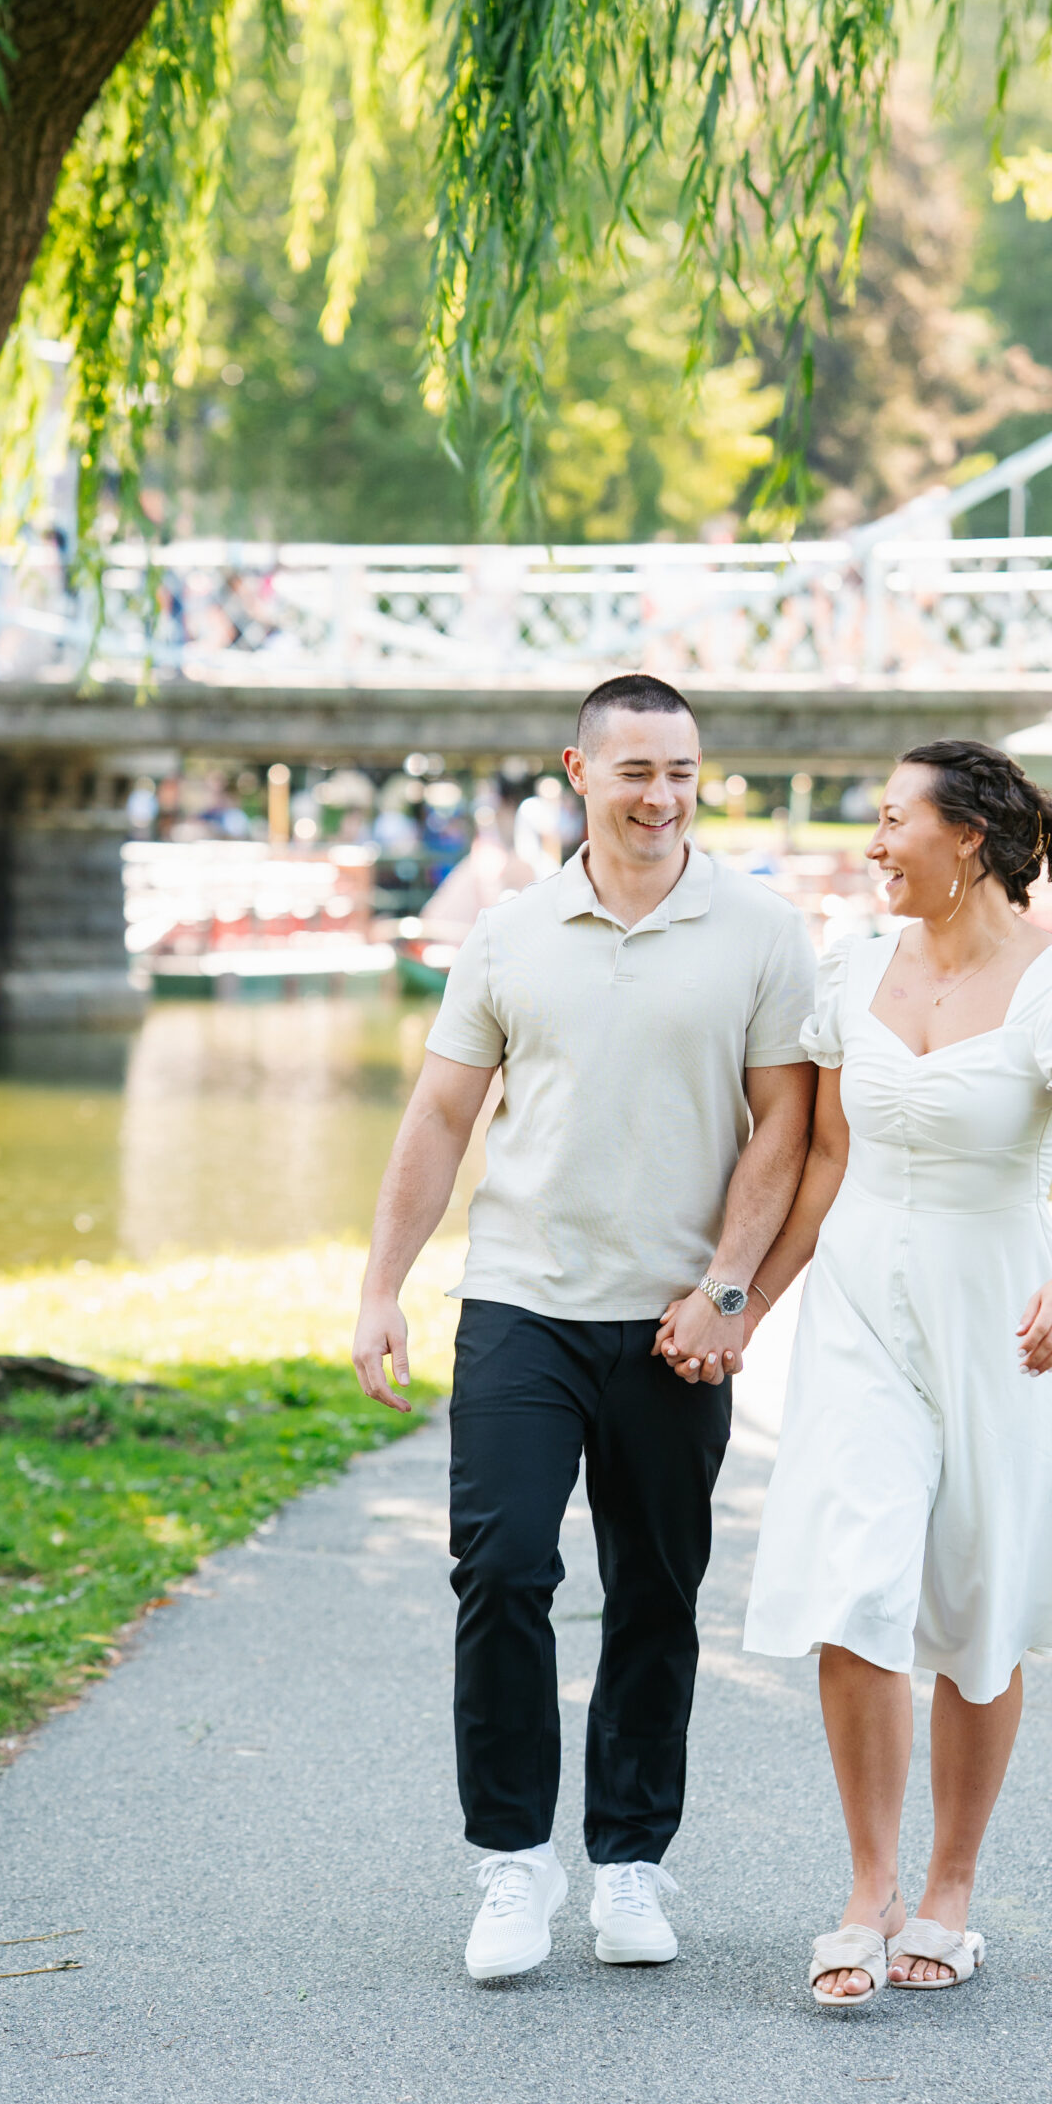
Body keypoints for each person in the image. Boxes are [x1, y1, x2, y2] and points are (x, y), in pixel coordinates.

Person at [352, 675, 816, 1983]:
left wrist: (727, 1287)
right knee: (501, 1570)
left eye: (680, 771)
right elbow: (440, 1119)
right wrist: (383, 1285)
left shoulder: (761, 932)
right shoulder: (506, 935)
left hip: (674, 1319)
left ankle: (628, 1863)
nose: (660, 797)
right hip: (520, 1302)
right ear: (579, 772)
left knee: (654, 1595)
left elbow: (782, 1121)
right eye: (634, 772)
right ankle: (510, 1866)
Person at [739, 739, 1052, 2006]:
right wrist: (741, 1305)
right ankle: (867, 1890)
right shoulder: (850, 968)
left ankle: (950, 1889)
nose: (872, 844)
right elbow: (815, 1161)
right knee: (855, 1573)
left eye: (890, 820)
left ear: (968, 836)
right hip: (861, 1305)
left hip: (993, 1310)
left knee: (978, 1599)